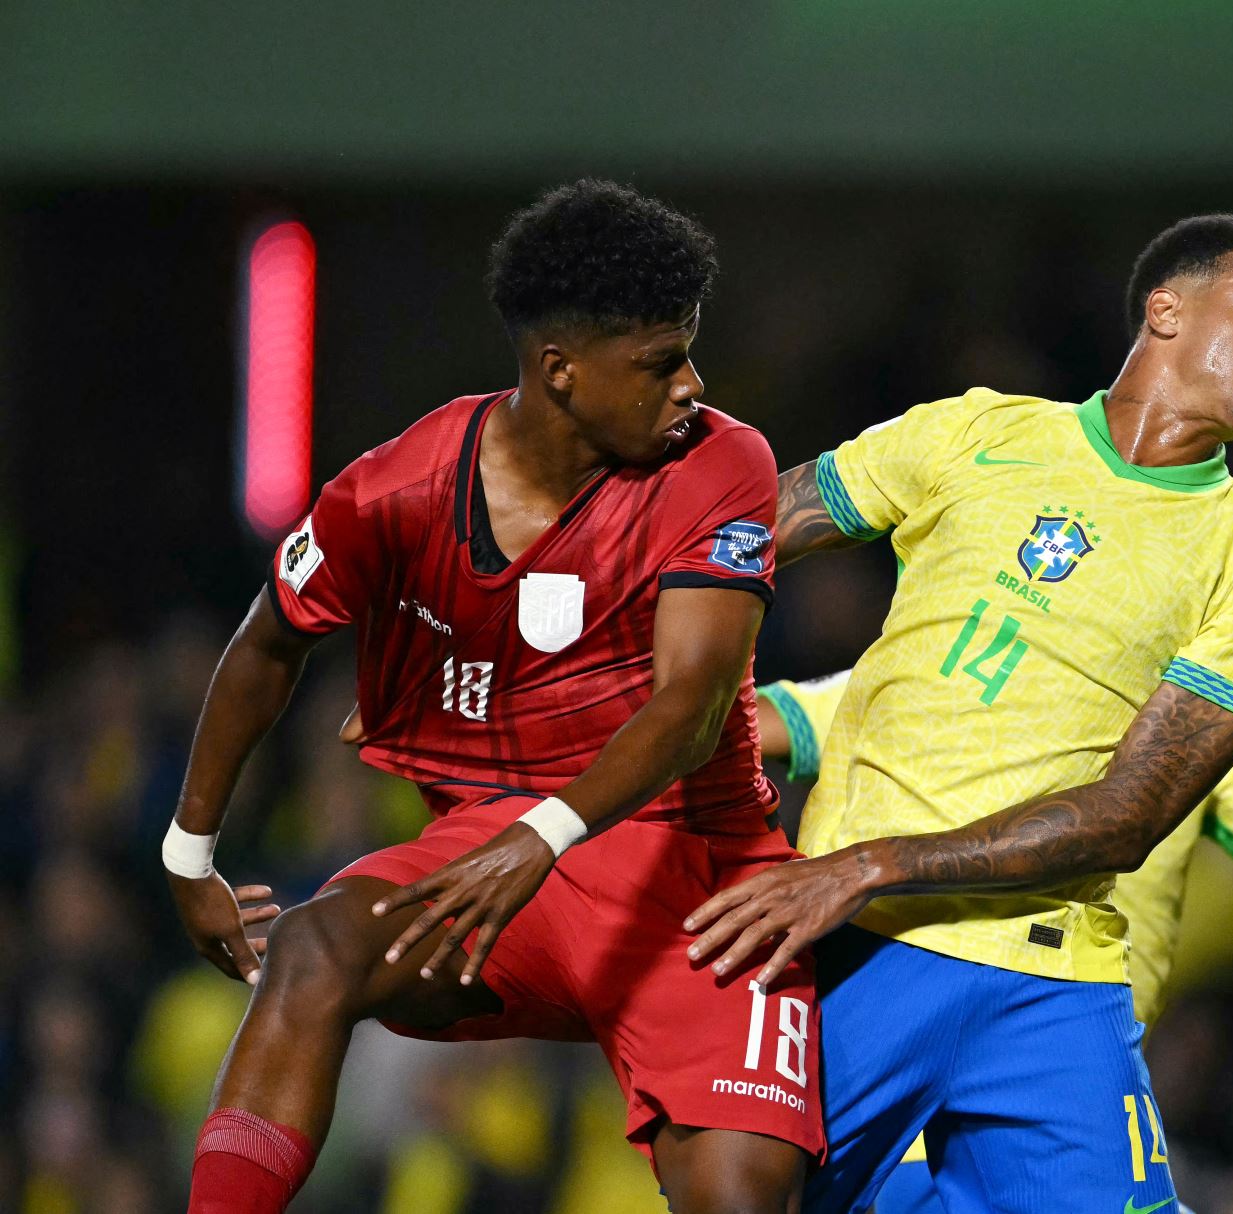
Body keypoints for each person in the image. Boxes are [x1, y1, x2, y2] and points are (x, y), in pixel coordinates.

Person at [686, 215, 1233, 1213]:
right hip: (867, 947)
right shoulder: (975, 439)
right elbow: (734, 545)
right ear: (1166, 309)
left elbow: (1134, 818)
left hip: (1050, 973)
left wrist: (870, 861)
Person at [164, 179, 820, 1214]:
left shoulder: (721, 461)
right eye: (660, 360)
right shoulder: (398, 488)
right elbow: (264, 645)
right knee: (313, 943)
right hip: (494, 858)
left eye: (688, 349)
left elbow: (692, 706)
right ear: (560, 370)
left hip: (699, 881)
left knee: (740, 1195)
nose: (693, 381)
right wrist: (187, 852)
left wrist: (540, 834)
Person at [755, 672, 1233, 1213]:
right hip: (904, 1084)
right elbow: (737, 724)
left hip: (1067, 1093)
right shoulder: (931, 675)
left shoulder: (1201, 744)